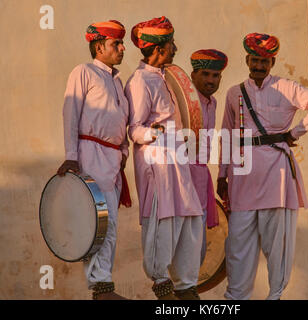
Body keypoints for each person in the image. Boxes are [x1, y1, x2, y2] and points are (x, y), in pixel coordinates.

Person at [217, 33, 308, 300]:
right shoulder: (234, 92)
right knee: (238, 245)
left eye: (265, 61)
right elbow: (226, 135)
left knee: (277, 244)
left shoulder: (287, 87)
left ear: (272, 62)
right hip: (242, 175)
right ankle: (236, 298)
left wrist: (295, 133)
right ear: (247, 59)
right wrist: (222, 174)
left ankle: (275, 296)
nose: (259, 66)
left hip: (276, 175)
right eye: (255, 60)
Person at [124, 16, 203, 300]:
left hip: (177, 158)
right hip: (157, 159)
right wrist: (154, 133)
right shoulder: (139, 81)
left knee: (189, 219)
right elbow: (134, 129)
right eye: (171, 45)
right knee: (163, 219)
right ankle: (162, 286)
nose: (175, 49)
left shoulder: (163, 77)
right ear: (159, 49)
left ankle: (186, 286)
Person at [57, 20, 131, 300]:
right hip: (90, 152)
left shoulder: (117, 79)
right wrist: (72, 156)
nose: (123, 49)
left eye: (122, 44)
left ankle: (103, 284)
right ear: (99, 46)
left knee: (111, 222)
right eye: (116, 44)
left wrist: (123, 153)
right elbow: (70, 114)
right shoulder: (83, 72)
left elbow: (121, 122)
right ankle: (100, 287)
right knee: (99, 221)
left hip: (113, 158)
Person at [189, 49, 228, 264]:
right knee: (182, 244)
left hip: (201, 177)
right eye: (205, 74)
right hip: (182, 177)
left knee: (198, 248)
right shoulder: (184, 101)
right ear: (193, 75)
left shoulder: (213, 103)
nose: (210, 80)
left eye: (215, 76)